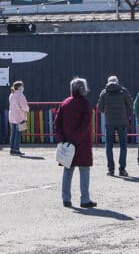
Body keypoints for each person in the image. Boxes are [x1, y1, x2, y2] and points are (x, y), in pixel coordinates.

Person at [56, 77, 96, 208]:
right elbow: (85, 126)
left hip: (67, 142)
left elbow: (57, 123)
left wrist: (62, 139)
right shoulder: (85, 104)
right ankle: (84, 199)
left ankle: (66, 199)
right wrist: (76, 140)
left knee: (68, 171)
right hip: (82, 143)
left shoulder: (64, 103)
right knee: (84, 171)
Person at [98, 75, 133, 177]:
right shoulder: (123, 91)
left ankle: (111, 170)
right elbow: (131, 104)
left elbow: (100, 107)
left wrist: (107, 111)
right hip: (122, 122)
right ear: (117, 82)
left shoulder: (104, 92)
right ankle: (122, 170)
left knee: (109, 146)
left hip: (109, 122)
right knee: (123, 146)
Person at [8, 81, 29, 156]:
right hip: (19, 116)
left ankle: (12, 149)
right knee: (18, 134)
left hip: (12, 116)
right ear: (19, 87)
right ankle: (16, 149)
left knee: (13, 133)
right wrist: (27, 109)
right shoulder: (20, 95)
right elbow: (24, 106)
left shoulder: (12, 94)